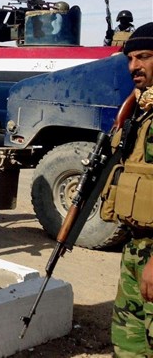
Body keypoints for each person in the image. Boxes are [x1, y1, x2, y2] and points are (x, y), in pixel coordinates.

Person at [99, 23, 153, 357]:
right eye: (130, 59)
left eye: (143, 57)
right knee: (129, 341)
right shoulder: (141, 110)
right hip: (136, 246)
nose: (134, 66)